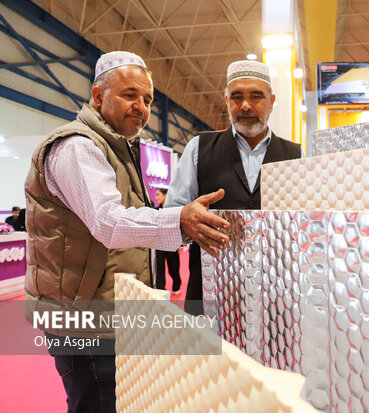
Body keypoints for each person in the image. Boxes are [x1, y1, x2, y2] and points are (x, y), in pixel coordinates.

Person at [23, 51, 230, 413]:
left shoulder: (117, 148)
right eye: (130, 94)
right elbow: (109, 222)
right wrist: (179, 220)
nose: (141, 106)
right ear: (98, 96)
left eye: (147, 99)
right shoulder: (77, 146)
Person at [166, 60, 302, 315]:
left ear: (272, 101)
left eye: (256, 97)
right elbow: (172, 214)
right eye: (237, 97)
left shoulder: (297, 155)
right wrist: (186, 221)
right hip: (209, 296)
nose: (246, 106)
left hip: (277, 298)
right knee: (208, 356)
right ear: (227, 100)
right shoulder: (199, 149)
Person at [154, 187, 182, 294]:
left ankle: (176, 286)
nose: (156, 197)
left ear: (165, 196)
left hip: (172, 243)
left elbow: (179, 226)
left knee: (174, 267)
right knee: (159, 268)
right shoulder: (155, 211)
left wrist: (180, 244)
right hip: (159, 244)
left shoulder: (173, 210)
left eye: (158, 195)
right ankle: (161, 289)